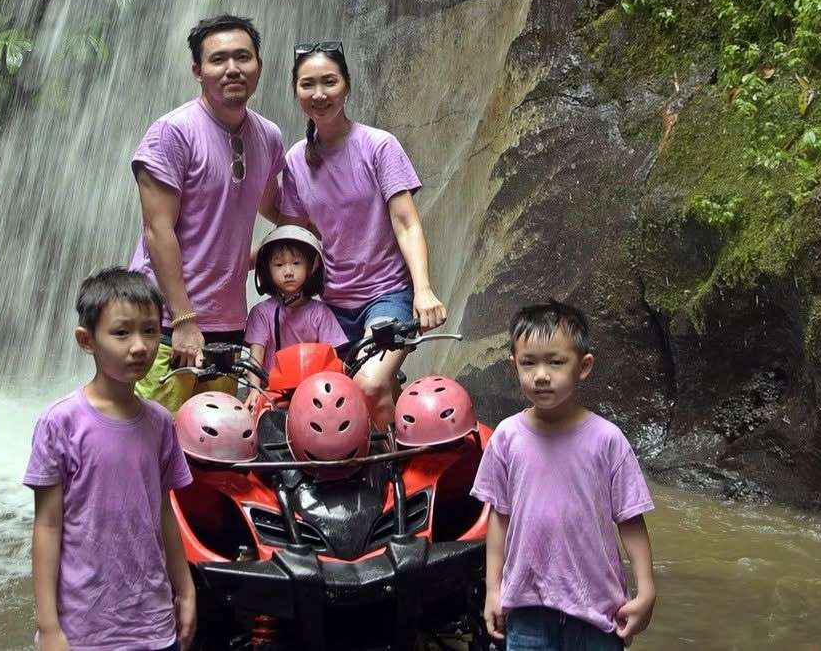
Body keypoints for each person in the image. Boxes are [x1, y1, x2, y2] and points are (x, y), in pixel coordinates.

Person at [24, 268, 195, 651]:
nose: (139, 346)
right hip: (86, 628)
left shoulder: (160, 423)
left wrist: (185, 590)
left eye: (150, 331)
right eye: (121, 333)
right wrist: (49, 626)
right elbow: (48, 525)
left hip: (152, 624)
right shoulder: (61, 422)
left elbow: (164, 512)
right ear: (87, 340)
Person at [472, 300, 656, 650]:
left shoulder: (607, 440)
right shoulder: (506, 439)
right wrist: (493, 590)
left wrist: (646, 590)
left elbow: (630, 519)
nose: (541, 374)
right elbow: (499, 517)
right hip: (526, 606)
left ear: (583, 366)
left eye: (556, 362)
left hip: (598, 609)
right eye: (529, 363)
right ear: (514, 367)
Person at [280, 41, 447, 427]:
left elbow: (406, 222)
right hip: (331, 303)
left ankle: (389, 466)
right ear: (296, 92)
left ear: (347, 86)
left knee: (369, 385)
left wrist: (422, 289)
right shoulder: (294, 161)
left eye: (329, 82)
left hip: (386, 295)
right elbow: (298, 234)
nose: (319, 94)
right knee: (327, 396)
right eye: (308, 85)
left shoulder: (378, 146)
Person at [130, 14, 285, 411]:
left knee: (213, 448)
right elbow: (157, 231)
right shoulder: (172, 133)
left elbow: (277, 209)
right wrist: (183, 321)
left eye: (242, 57)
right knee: (155, 444)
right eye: (218, 60)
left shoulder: (268, 136)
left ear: (259, 66)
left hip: (229, 322)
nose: (232, 69)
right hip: (167, 323)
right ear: (198, 71)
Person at [243, 224, 348, 378]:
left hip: (312, 389)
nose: (288, 272)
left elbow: (331, 356)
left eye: (296, 263)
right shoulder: (261, 313)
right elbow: (255, 358)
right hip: (272, 390)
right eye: (279, 265)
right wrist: (254, 391)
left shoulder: (320, 312)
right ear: (267, 270)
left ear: (311, 267)